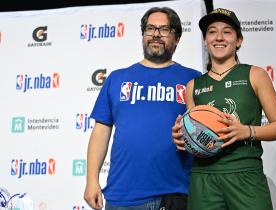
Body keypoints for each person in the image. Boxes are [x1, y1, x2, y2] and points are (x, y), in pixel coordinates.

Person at [83, 6, 201, 210]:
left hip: (173, 195)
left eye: (164, 29)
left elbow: (206, 134)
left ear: (177, 37)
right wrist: (92, 180)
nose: (156, 34)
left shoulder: (194, 80)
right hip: (120, 197)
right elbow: (101, 132)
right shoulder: (117, 79)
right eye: (150, 28)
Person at [172, 8, 276, 210]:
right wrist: (183, 136)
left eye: (227, 31)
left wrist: (247, 131)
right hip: (204, 177)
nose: (219, 37)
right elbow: (195, 138)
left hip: (245, 174)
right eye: (211, 31)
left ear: (239, 40)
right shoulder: (193, 85)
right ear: (204, 40)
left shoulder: (255, 74)